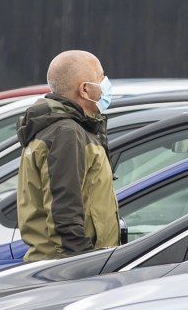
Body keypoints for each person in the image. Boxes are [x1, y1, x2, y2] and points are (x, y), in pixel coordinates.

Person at [16, 50, 120, 261]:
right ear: (85, 89)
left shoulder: (65, 128)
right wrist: (85, 265)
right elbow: (64, 215)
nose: (106, 83)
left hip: (65, 265)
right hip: (69, 269)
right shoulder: (66, 133)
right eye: (101, 76)